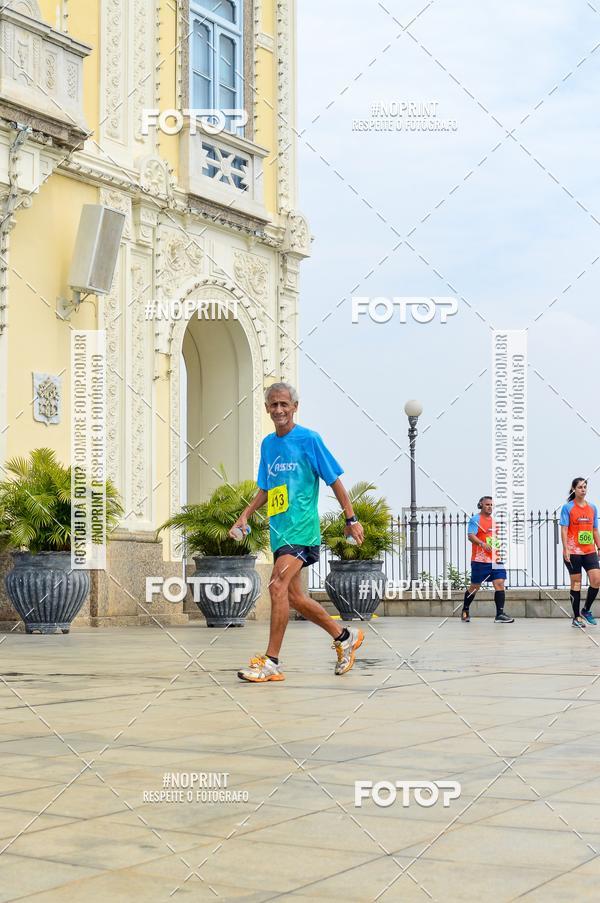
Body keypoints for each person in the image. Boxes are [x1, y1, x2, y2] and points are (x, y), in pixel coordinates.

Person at [230, 382, 365, 683]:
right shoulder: (268, 445)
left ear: (294, 407)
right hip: (280, 532)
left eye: (284, 404)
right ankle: (344, 636)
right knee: (294, 597)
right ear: (266, 408)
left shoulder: (309, 440)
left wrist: (351, 518)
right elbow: (266, 488)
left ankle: (271, 662)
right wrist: (244, 515)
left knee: (276, 586)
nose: (279, 410)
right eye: (273, 405)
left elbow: (335, 481)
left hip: (302, 531)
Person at [461, 496, 514, 623]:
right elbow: (471, 536)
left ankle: (500, 614)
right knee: (474, 587)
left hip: (495, 558)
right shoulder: (475, 519)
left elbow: (492, 538)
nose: (490, 507)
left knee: (500, 583)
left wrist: (498, 546)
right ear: (481, 505)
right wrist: (482, 544)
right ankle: (465, 610)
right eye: (487, 504)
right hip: (480, 560)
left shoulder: (493, 521)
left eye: (491, 505)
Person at [560, 478, 600, 628]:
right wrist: (566, 548)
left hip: (589, 551)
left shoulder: (593, 508)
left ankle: (586, 610)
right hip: (573, 552)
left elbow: (595, 529)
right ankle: (576, 617)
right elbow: (564, 529)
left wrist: (599, 547)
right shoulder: (567, 508)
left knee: (596, 580)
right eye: (580, 487)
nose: (583, 489)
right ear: (573, 489)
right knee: (576, 583)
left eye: (585, 487)